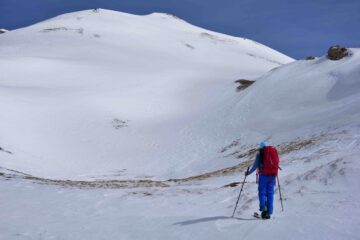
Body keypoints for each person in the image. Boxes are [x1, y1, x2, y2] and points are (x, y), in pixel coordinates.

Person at [245, 140, 280, 219]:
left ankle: (264, 210)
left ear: (260, 147)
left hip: (263, 176)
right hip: (272, 176)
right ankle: (269, 212)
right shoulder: (273, 152)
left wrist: (248, 173)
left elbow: (254, 167)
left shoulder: (260, 154)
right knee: (270, 194)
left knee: (262, 193)